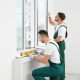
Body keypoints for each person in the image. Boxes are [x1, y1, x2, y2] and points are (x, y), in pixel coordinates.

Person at [49, 12, 68, 80]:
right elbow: (51, 22)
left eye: (56, 16)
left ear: (59, 18)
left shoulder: (62, 28)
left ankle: (62, 77)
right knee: (57, 60)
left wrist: (50, 42)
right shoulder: (58, 24)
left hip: (60, 45)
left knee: (61, 61)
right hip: (58, 44)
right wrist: (49, 16)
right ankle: (57, 75)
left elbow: (59, 39)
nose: (55, 16)